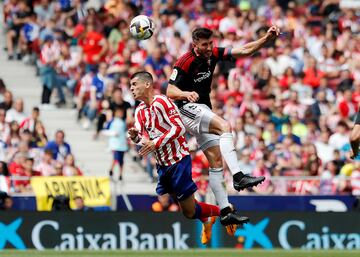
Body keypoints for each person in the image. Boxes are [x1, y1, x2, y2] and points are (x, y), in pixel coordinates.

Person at [166, 26, 279, 223]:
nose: (209, 47)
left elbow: (244, 50)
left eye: (211, 43)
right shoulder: (185, 61)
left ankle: (225, 211)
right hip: (186, 109)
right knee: (226, 126)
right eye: (204, 44)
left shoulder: (214, 53)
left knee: (216, 162)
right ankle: (238, 176)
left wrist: (266, 39)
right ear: (195, 45)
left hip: (203, 110)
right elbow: (169, 90)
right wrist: (185, 94)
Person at [128, 71, 248, 244]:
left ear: (147, 84)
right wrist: (134, 137)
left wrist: (156, 142)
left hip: (178, 161)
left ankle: (226, 211)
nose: (131, 88)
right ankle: (209, 218)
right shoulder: (139, 111)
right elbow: (143, 139)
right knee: (188, 210)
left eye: (134, 84)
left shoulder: (162, 102)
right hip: (162, 165)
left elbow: (179, 128)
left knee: (189, 212)